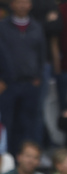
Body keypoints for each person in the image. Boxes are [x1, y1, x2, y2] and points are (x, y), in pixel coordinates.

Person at [0, 0, 46, 156]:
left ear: (30, 5)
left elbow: (42, 54)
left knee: (28, 124)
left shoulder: (37, 27)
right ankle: (7, 159)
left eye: (25, 2)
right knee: (7, 123)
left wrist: (38, 76)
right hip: (7, 84)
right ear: (11, 4)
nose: (21, 5)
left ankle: (26, 159)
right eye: (18, 2)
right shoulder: (2, 27)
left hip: (30, 84)